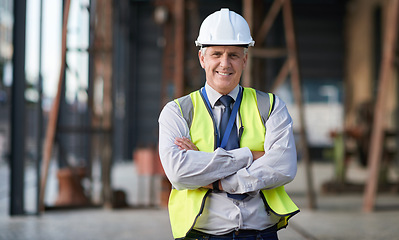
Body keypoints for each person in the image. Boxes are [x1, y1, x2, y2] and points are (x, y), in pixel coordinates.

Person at [159, 8, 299, 240]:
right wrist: (249, 156)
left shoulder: (271, 106)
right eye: (217, 54)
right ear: (202, 58)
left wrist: (214, 181)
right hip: (204, 234)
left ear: (244, 59)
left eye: (233, 55)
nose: (225, 63)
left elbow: (283, 167)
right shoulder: (177, 112)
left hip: (260, 234)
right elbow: (179, 173)